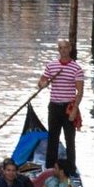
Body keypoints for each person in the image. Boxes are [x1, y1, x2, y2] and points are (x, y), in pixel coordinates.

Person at [37, 37, 85, 174]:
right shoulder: (51, 66)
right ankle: (50, 168)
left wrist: (74, 110)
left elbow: (80, 92)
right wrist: (43, 84)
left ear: (70, 49)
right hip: (54, 106)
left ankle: (70, 168)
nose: (63, 51)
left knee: (70, 139)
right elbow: (41, 82)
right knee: (52, 137)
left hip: (68, 108)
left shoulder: (76, 68)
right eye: (61, 48)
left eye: (66, 48)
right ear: (58, 50)